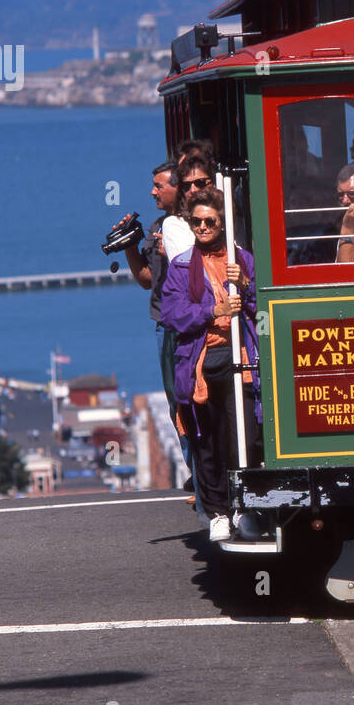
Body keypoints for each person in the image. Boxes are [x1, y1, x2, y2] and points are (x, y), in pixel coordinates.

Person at [160, 187, 260, 542]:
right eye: (196, 221)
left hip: (241, 359)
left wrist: (246, 286)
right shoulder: (182, 266)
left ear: (223, 224)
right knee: (207, 442)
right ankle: (218, 512)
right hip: (200, 364)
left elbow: (261, 311)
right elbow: (173, 315)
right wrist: (213, 311)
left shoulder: (243, 260)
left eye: (209, 221)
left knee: (244, 439)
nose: (202, 227)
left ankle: (245, 509)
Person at [117, 161, 195, 497]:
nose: (153, 192)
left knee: (194, 397)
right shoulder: (158, 226)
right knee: (175, 400)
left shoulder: (199, 224)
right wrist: (131, 247)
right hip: (166, 324)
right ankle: (195, 469)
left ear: (178, 189)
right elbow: (147, 280)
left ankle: (206, 470)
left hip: (190, 321)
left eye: (159, 186)